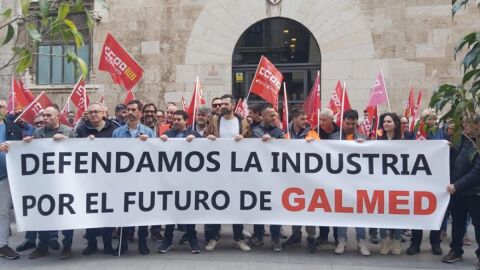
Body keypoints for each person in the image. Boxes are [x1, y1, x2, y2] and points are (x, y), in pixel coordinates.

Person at [24, 106, 75, 260]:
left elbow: (79, 150)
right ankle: (43, 245)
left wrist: (66, 141)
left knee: (67, 214)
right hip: (44, 182)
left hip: (65, 181)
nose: (44, 118)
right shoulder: (38, 133)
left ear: (58, 116)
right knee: (44, 213)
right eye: (43, 115)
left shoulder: (68, 131)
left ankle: (67, 246)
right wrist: (27, 143)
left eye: (48, 115)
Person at [204, 94, 251, 252]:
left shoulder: (242, 122)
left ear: (233, 105)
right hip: (217, 170)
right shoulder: (215, 121)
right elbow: (204, 137)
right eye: (221, 103)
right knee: (217, 203)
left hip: (236, 171)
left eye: (226, 103)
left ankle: (238, 238)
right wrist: (209, 137)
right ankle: (214, 237)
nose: (223, 106)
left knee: (236, 204)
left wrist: (243, 138)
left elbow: (251, 143)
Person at [112, 100, 156, 255]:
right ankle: (122, 243)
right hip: (124, 179)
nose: (130, 112)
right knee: (123, 212)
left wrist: (149, 142)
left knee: (142, 212)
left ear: (140, 113)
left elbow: (156, 154)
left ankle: (143, 242)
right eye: (128, 109)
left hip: (142, 179)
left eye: (133, 110)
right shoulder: (117, 133)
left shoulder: (148, 132)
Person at [76, 103, 118, 255]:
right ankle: (91, 243)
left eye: (96, 112)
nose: (93, 114)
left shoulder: (114, 129)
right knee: (90, 211)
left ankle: (107, 244)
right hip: (89, 178)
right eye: (90, 112)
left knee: (107, 212)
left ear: (103, 114)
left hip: (108, 178)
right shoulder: (81, 130)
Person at [158, 110, 201, 254]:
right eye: (174, 120)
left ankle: (192, 240)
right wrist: (161, 140)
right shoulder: (168, 134)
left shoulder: (194, 134)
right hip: (171, 181)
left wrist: (196, 140)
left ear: (186, 121)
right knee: (171, 212)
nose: (175, 122)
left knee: (188, 212)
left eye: (178, 120)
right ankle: (167, 240)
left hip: (189, 181)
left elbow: (207, 146)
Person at [330, 109, 370, 256]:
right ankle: (341, 240)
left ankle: (361, 242)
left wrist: (364, 146)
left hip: (358, 182)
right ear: (342, 121)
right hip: (340, 181)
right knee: (341, 212)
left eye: (353, 124)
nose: (351, 126)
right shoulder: (334, 138)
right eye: (348, 123)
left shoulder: (364, 138)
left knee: (360, 212)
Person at [442, 115, 480, 270]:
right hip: (457, 193)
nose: (465, 126)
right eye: (464, 123)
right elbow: (454, 161)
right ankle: (456, 250)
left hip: (474, 193)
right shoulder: (462, 140)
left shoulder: (477, 143)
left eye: (469, 124)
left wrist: (457, 185)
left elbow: (477, 171)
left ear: (478, 125)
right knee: (457, 223)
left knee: (478, 224)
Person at [407, 109, 446, 256]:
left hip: (437, 179)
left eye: (435, 119)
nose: (433, 121)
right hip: (417, 178)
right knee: (417, 212)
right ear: (423, 120)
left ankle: (435, 243)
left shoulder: (442, 133)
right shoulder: (414, 133)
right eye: (430, 119)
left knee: (436, 211)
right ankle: (415, 243)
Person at [282, 108, 320, 252]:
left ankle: (311, 237)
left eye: (306, 118)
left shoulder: (312, 134)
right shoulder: (285, 134)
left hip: (308, 179)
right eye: (302, 119)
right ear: (294, 119)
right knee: (294, 207)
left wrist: (314, 145)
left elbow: (322, 151)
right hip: (290, 179)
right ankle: (296, 235)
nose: (306, 121)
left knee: (309, 208)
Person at [249, 106, 285, 252]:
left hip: (274, 177)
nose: (274, 118)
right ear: (263, 116)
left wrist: (274, 141)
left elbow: (287, 147)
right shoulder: (254, 130)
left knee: (274, 207)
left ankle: (275, 238)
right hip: (257, 175)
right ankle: (258, 235)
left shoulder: (279, 131)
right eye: (271, 115)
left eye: (275, 115)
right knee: (258, 205)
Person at [377, 113, 404, 255]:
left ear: (396, 124)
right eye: (384, 121)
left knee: (397, 212)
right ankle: (384, 240)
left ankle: (397, 240)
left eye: (389, 121)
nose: (386, 123)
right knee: (381, 212)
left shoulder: (404, 140)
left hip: (398, 183)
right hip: (381, 183)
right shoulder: (377, 140)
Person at [0, 101, 22, 260]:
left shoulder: (13, 127)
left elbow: (21, 147)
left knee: (3, 213)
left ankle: (2, 245)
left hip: (5, 176)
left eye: (1, 106)